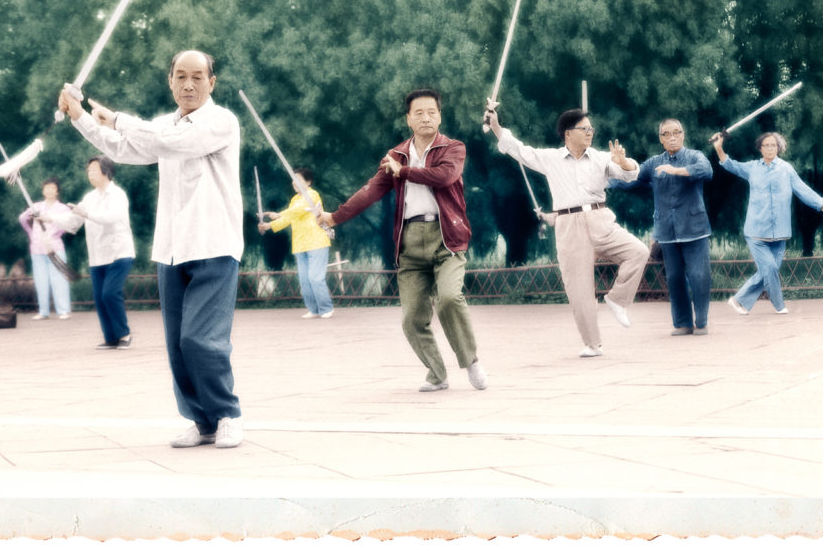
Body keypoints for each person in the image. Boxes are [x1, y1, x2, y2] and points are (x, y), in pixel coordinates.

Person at [58, 49, 245, 449]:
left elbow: (167, 142)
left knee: (202, 339)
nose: (189, 84)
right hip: (172, 248)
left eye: (198, 77)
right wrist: (81, 117)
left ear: (212, 83)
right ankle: (202, 421)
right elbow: (124, 149)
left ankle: (227, 413)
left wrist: (118, 118)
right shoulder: (163, 126)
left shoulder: (220, 121)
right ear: (170, 80)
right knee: (178, 343)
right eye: (181, 76)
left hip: (214, 243)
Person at [320, 89, 487, 392]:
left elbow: (444, 176)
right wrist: (334, 217)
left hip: (446, 237)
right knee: (411, 317)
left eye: (432, 112)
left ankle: (470, 359)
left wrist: (405, 172)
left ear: (440, 115)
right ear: (408, 118)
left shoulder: (453, 147)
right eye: (419, 113)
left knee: (450, 298)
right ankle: (437, 373)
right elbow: (371, 191)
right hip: (409, 241)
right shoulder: (395, 156)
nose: (426, 118)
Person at [485, 102, 650, 358]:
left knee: (638, 251)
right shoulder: (551, 158)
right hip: (568, 225)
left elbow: (630, 175)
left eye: (591, 128)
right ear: (567, 133)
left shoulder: (601, 157)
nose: (590, 132)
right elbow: (518, 149)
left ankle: (618, 298)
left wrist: (624, 162)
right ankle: (593, 344)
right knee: (578, 287)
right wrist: (495, 125)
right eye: (584, 128)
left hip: (600, 218)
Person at [712, 130, 823, 315]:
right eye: (766, 145)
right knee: (769, 268)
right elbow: (731, 165)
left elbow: (803, 190)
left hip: (780, 231)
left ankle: (738, 300)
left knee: (768, 271)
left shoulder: (786, 169)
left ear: (778, 148)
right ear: (760, 149)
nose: (770, 148)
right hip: (756, 230)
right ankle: (779, 305)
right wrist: (719, 148)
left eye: (773, 145)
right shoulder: (752, 167)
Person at [614, 119, 713, 336]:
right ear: (660, 138)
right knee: (674, 278)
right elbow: (631, 178)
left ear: (683, 134)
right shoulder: (653, 163)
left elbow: (706, 170)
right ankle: (682, 323)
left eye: (676, 132)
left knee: (699, 276)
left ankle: (702, 321)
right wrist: (616, 170)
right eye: (666, 134)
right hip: (667, 230)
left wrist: (676, 171)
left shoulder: (695, 156)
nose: (672, 137)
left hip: (695, 228)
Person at [54, 156, 137, 349]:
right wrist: (47, 217)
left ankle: (124, 335)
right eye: (88, 170)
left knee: (110, 293)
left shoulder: (118, 195)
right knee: (100, 298)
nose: (89, 173)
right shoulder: (90, 198)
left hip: (119, 253)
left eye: (93, 169)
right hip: (98, 255)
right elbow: (72, 221)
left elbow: (112, 217)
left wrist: (87, 214)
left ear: (105, 171)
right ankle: (111, 338)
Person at [258, 167, 335, 319]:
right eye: (294, 179)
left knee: (315, 277)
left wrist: (280, 213)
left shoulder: (312, 195)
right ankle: (313, 309)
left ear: (308, 182)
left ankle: (326, 308)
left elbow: (298, 211)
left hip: (316, 241)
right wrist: (269, 226)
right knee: (305, 280)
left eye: (299, 180)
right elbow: (289, 218)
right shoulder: (294, 200)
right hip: (300, 244)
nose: (295, 183)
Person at [18, 177, 72, 321]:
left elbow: (68, 224)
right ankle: (43, 311)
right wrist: (31, 233)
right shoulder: (36, 206)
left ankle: (63, 310)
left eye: (52, 188)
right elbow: (22, 218)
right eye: (46, 187)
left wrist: (55, 233)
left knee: (59, 278)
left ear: (57, 191)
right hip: (37, 247)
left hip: (54, 246)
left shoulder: (63, 208)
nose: (49, 190)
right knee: (40, 279)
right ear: (43, 190)